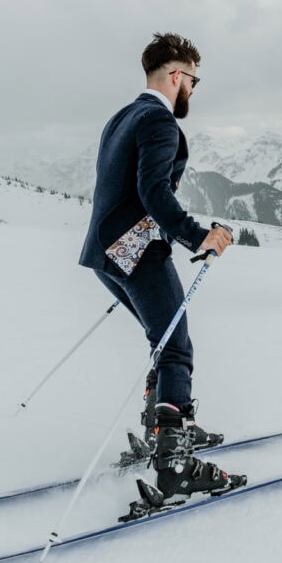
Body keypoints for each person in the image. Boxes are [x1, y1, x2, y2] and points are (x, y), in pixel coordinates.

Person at [78, 32, 244, 501]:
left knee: (164, 340)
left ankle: (166, 427)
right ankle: (173, 463)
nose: (192, 88)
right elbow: (154, 192)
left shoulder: (123, 116)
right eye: (193, 79)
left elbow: (129, 189)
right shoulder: (160, 121)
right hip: (137, 252)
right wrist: (199, 235)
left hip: (104, 253)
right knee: (176, 350)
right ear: (177, 75)